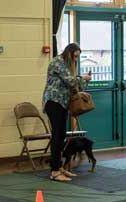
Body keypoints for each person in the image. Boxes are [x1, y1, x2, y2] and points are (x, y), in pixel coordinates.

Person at [41, 43, 91, 182]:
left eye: (78, 57)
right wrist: (83, 78)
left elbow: (71, 84)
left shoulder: (68, 64)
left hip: (62, 103)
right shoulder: (58, 62)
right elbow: (69, 81)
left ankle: (58, 166)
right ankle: (55, 171)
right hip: (53, 102)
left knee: (61, 134)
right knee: (57, 136)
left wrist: (80, 90)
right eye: (75, 56)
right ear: (69, 53)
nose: (76, 60)